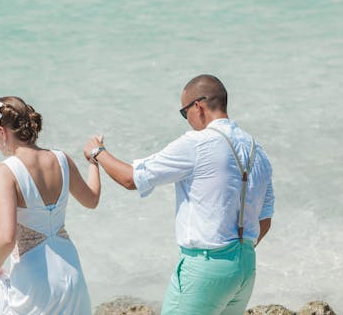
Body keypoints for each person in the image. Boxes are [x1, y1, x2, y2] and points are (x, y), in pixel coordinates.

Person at [83, 74, 275, 315]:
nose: (187, 121)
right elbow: (265, 218)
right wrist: (236, 253)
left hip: (205, 266)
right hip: (245, 266)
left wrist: (97, 151)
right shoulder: (258, 151)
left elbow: (132, 179)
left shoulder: (197, 144)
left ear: (198, 106)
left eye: (185, 113)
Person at [0, 96, 100, 315]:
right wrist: (94, 161)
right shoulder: (61, 158)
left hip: (35, 282)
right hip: (71, 273)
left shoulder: (6, 170)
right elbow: (91, 200)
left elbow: (7, 238)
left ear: (2, 132)